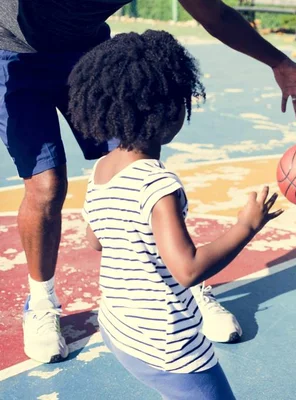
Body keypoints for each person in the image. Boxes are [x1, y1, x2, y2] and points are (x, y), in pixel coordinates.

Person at [0, 0, 296, 363]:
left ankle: (188, 285)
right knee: (47, 186)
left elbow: (216, 15)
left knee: (138, 158)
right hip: (15, 54)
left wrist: (278, 61)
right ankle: (41, 302)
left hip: (84, 50)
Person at [75, 30, 282, 399]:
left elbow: (95, 238)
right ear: (170, 111)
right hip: (167, 342)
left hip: (119, 326)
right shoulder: (158, 184)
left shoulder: (103, 169)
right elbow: (188, 270)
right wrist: (246, 225)